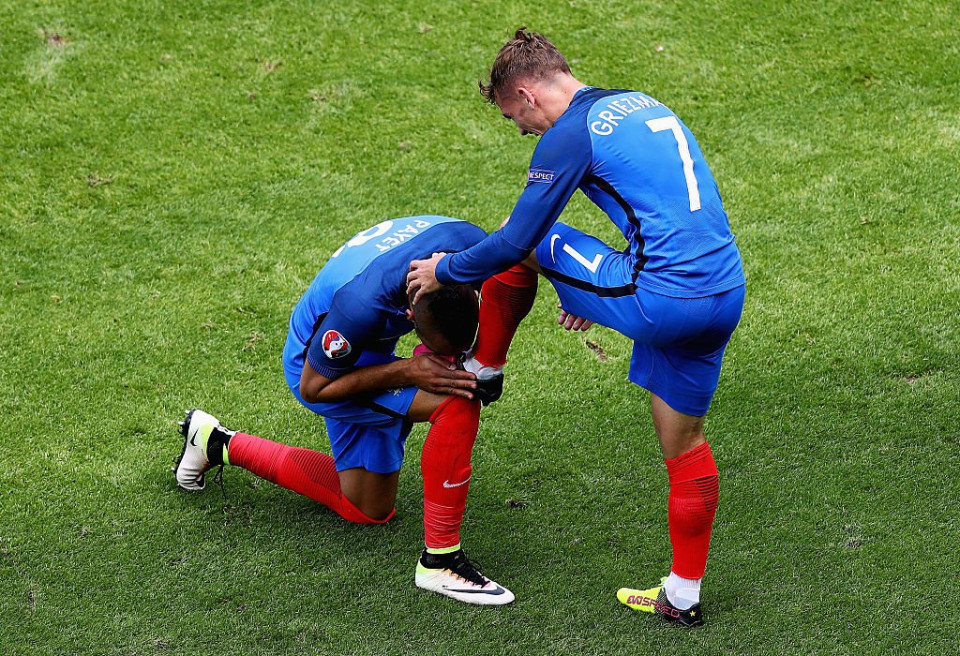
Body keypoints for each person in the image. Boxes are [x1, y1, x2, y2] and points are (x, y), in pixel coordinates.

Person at [407, 29, 745, 626]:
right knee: (685, 445)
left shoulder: (569, 134)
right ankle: (682, 596)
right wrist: (591, 288)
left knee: (529, 234)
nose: (528, 133)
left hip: (660, 298)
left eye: (520, 122)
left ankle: (484, 365)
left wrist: (445, 270)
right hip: (721, 293)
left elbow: (517, 241)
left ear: (527, 94)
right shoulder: (640, 103)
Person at [174, 214, 514, 606]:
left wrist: (483, 360)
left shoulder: (472, 248)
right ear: (408, 314)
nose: (451, 358)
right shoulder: (361, 306)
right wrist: (408, 369)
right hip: (319, 366)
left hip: (370, 343)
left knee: (367, 508)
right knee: (458, 401)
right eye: (433, 345)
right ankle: (440, 562)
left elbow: (517, 265)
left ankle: (213, 441)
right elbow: (314, 388)